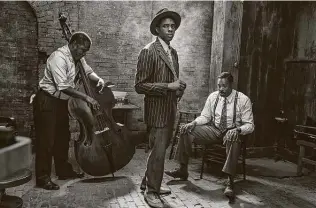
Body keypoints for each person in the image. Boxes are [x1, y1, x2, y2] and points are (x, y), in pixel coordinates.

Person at [33, 32, 105, 190]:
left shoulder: (78, 57)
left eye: (86, 51)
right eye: (82, 50)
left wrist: (98, 79)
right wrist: (87, 98)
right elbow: (64, 86)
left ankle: (63, 171)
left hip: (60, 102)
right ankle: (42, 178)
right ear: (73, 45)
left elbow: (88, 72)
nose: (84, 53)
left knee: (62, 137)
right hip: (47, 100)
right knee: (46, 141)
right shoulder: (58, 57)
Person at [165, 72, 254, 199]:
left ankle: (230, 181)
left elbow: (250, 125)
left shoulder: (243, 99)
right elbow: (206, 116)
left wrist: (238, 130)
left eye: (224, 86)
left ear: (231, 85)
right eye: (219, 86)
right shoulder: (213, 97)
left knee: (232, 138)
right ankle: (182, 169)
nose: (221, 89)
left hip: (232, 131)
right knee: (186, 130)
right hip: (215, 130)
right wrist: (193, 123)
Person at [134, 8, 186, 208]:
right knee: (157, 152)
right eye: (166, 26)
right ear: (157, 29)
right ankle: (152, 192)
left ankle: (148, 182)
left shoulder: (172, 52)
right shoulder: (148, 51)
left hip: (170, 108)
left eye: (173, 26)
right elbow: (139, 86)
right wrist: (168, 87)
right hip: (157, 112)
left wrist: (178, 88)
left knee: (159, 150)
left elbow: (172, 82)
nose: (171, 29)